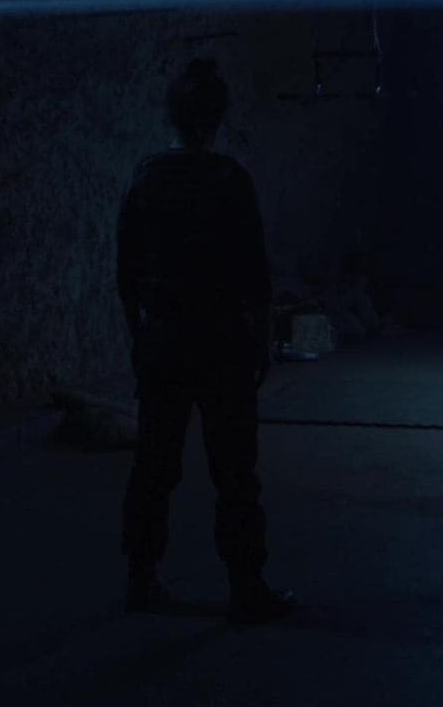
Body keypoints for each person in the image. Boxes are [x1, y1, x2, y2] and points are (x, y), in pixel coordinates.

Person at [117, 58, 293, 624]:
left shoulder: (147, 178)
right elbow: (254, 274)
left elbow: (126, 273)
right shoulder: (229, 180)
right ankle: (247, 586)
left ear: (172, 115)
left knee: (154, 466)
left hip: (166, 340)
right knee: (235, 472)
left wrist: (140, 340)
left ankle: (141, 578)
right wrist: (261, 341)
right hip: (222, 342)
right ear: (218, 117)